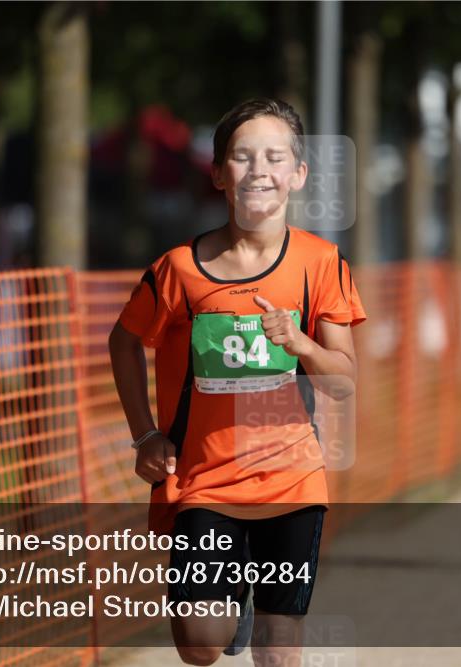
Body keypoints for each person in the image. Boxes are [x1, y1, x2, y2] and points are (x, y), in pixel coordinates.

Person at [109, 98, 365, 666]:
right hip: (206, 482)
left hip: (291, 482)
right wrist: (144, 435)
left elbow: (344, 382)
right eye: (242, 157)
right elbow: (124, 341)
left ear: (298, 174)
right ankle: (230, 610)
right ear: (219, 173)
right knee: (199, 644)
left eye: (275, 157)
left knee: (279, 653)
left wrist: (299, 342)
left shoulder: (321, 263)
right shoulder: (178, 269)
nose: (258, 170)